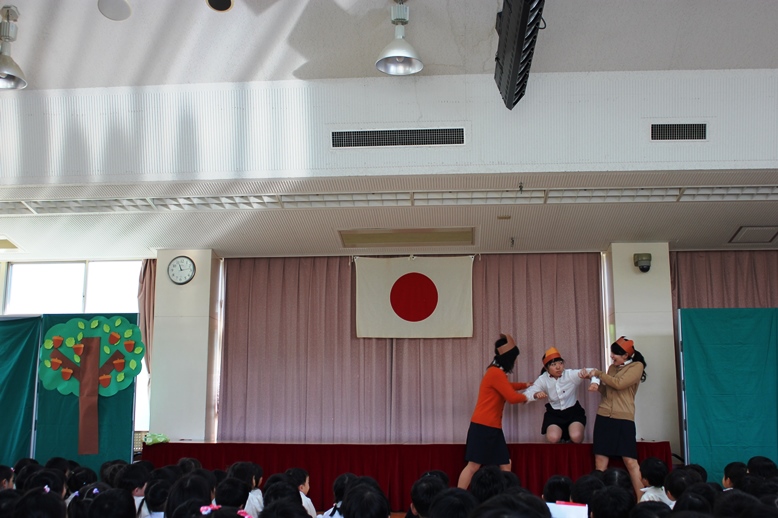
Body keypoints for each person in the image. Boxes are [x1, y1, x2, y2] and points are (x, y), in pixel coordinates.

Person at [457, 333, 530, 490]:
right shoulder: (495, 373)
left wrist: (526, 385)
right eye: (514, 358)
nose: (514, 362)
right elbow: (511, 397)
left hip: (493, 427)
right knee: (473, 466)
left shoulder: (496, 372)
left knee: (506, 464)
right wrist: (531, 396)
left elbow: (507, 387)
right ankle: (457, 497)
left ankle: (506, 497)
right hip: (483, 426)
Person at [582, 336, 647, 499]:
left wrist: (598, 373)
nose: (612, 356)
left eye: (615, 354)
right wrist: (595, 383)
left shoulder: (637, 366)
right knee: (600, 462)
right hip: (604, 416)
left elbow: (619, 383)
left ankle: (642, 501)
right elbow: (608, 390)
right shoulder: (612, 368)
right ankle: (598, 500)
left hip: (623, 418)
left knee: (630, 462)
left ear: (625, 355)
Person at [524, 347, 600, 443]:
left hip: (573, 412)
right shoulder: (542, 379)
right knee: (553, 437)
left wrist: (594, 382)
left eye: (560, 363)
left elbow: (594, 371)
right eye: (553, 364)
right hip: (554, 414)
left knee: (576, 436)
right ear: (546, 368)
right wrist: (535, 395)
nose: (558, 367)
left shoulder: (570, 374)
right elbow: (526, 395)